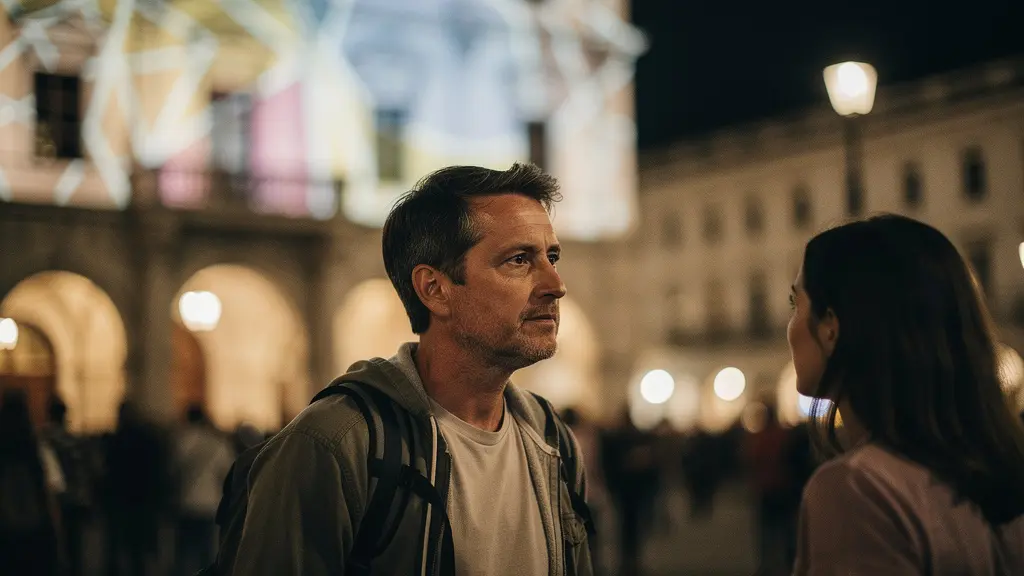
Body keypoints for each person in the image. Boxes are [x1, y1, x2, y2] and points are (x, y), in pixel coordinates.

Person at [232, 163, 593, 575]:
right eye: (518, 260)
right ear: (434, 290)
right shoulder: (334, 446)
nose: (556, 283)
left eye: (552, 256)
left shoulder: (553, 441)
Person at [787, 214, 1024, 575]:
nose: (790, 324)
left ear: (831, 328)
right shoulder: (996, 475)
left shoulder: (859, 492)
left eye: (796, 304)